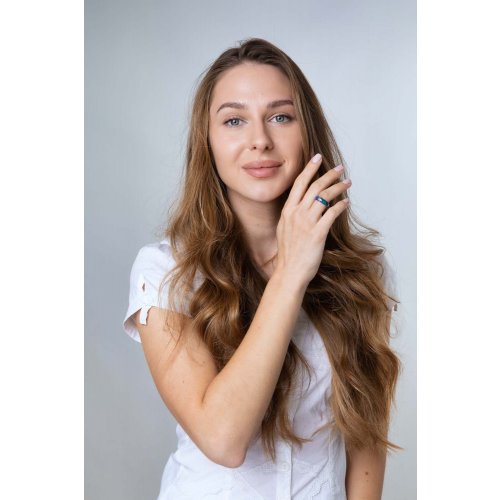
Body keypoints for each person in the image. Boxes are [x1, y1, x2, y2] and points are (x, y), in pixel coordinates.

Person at [123, 38, 401, 500]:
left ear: (306, 132)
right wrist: (292, 273)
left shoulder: (360, 273)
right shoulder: (165, 271)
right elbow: (222, 439)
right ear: (206, 143)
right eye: (234, 120)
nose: (260, 140)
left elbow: (365, 434)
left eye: (280, 116)